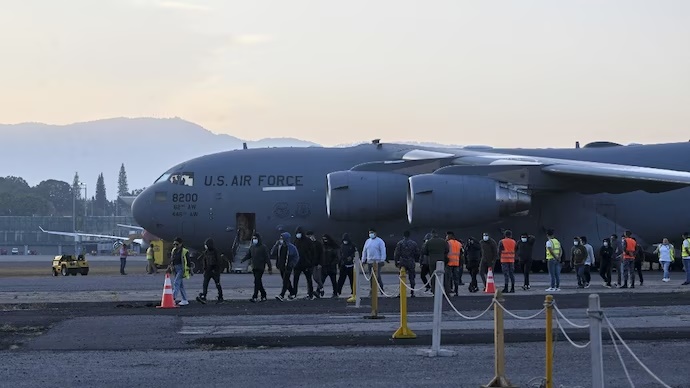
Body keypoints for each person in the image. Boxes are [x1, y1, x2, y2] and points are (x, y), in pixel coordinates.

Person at [242, 233, 272, 302]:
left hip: (260, 267)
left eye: (255, 238)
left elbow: (267, 258)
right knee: (258, 282)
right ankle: (263, 294)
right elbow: (249, 255)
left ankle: (255, 296)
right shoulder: (252, 247)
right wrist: (243, 259)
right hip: (254, 267)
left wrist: (269, 267)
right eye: (253, 239)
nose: (254, 240)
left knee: (256, 281)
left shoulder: (263, 247)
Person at [271, 232, 300, 301]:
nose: (281, 239)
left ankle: (282, 295)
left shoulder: (292, 247)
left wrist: (292, 264)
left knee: (285, 281)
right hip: (281, 266)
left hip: (288, 266)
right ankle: (292, 293)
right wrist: (275, 245)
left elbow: (296, 257)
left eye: (282, 238)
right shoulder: (280, 246)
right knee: (287, 281)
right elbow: (272, 253)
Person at [195, 238, 224, 304]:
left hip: (214, 271)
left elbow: (219, 261)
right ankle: (204, 296)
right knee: (205, 284)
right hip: (208, 271)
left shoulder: (215, 252)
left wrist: (216, 270)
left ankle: (220, 297)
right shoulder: (206, 252)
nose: (205, 246)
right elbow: (204, 261)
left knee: (217, 284)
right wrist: (204, 269)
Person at [394, 230, 420, 298]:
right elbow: (417, 253)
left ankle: (401, 292)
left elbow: (397, 253)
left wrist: (396, 262)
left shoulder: (400, 243)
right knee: (412, 278)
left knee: (402, 277)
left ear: (403, 235)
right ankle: (412, 292)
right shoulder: (413, 243)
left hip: (402, 261)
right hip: (411, 261)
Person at [422, 230, 449, 294]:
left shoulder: (429, 242)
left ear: (432, 234)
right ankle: (447, 291)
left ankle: (434, 292)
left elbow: (425, 252)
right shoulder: (443, 241)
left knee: (433, 277)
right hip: (441, 260)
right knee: (444, 276)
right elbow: (447, 250)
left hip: (432, 261)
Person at [292, 227, 316, 299]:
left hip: (306, 264)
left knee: (309, 280)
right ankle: (294, 293)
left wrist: (311, 262)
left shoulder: (308, 241)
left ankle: (310, 294)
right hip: (297, 264)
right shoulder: (296, 241)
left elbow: (312, 252)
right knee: (295, 279)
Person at [362, 228, 386, 292]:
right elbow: (364, 251)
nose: (371, 234)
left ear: (375, 233)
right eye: (370, 233)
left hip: (377, 261)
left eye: (372, 233)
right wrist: (363, 260)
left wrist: (382, 260)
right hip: (369, 261)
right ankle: (372, 289)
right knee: (371, 277)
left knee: (377, 276)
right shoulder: (367, 241)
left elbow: (383, 251)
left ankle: (381, 289)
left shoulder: (380, 241)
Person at [169, 237, 190, 305]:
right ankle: (184, 299)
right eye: (174, 244)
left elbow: (188, 261)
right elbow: (172, 259)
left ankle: (172, 298)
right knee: (180, 285)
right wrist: (171, 266)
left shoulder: (185, 251)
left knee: (176, 283)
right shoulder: (174, 250)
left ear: (181, 244)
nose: (175, 246)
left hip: (181, 268)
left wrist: (188, 269)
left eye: (177, 244)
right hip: (175, 268)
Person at [308, 231, 326, 297]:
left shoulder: (318, 244)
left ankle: (321, 288)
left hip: (317, 263)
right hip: (311, 263)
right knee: (311, 278)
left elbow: (321, 254)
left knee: (316, 278)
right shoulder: (309, 244)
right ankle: (311, 292)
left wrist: (320, 263)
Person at [445, 231, 463, 296]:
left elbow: (445, 252)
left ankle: (448, 291)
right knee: (456, 278)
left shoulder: (448, 243)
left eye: (447, 235)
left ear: (450, 236)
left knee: (448, 278)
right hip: (456, 263)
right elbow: (461, 254)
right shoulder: (459, 243)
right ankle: (456, 291)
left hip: (449, 263)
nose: (446, 237)